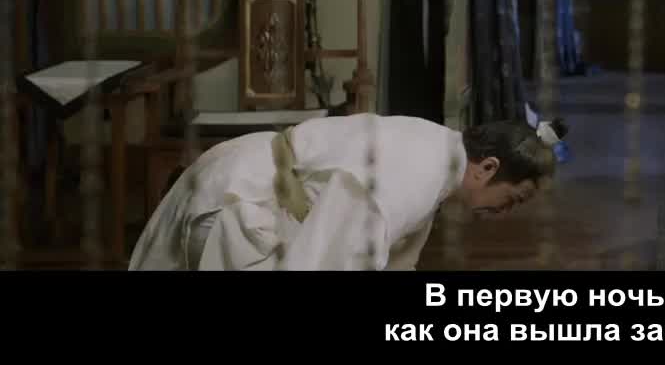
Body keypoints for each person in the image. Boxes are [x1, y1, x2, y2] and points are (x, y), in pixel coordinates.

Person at [128, 113, 568, 270]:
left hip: (247, 181)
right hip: (241, 198)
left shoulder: (439, 151)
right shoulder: (414, 175)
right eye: (513, 198)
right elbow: (330, 263)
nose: (506, 211)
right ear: (488, 168)